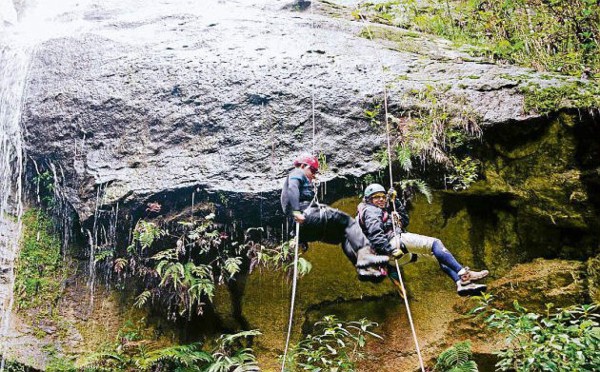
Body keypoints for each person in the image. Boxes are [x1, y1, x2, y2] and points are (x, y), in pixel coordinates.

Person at [357, 183, 489, 296]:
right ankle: (463, 273)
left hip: (395, 256)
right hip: (393, 245)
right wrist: (389, 249)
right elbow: (375, 235)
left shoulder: (381, 210)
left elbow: (404, 221)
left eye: (382, 196)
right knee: (435, 244)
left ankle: (462, 284)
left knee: (439, 256)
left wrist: (394, 202)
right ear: (368, 199)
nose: (381, 199)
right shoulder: (371, 211)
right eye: (376, 197)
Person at [280, 154, 389, 277]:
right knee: (349, 222)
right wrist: (296, 212)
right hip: (308, 215)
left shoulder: (299, 177)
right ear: (303, 165)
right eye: (313, 170)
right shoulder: (297, 172)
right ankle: (366, 255)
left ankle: (363, 268)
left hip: (303, 228)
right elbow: (292, 188)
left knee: (345, 235)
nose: (314, 175)